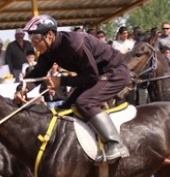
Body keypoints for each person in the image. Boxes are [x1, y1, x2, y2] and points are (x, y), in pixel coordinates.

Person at [16, 14, 130, 164]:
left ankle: (115, 144)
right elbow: (37, 73)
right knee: (63, 109)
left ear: (49, 35)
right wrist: (22, 88)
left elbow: (91, 77)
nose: (34, 45)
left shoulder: (75, 44)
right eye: (31, 41)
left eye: (36, 40)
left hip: (115, 73)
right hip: (95, 76)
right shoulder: (49, 50)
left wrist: (61, 81)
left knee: (84, 102)